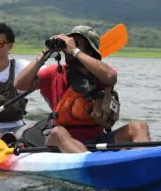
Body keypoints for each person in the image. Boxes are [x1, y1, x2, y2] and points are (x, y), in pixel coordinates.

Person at [14, 25, 150, 153]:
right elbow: (20, 84)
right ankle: (88, 163)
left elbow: (110, 77)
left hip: (97, 139)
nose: (69, 47)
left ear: (90, 51)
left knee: (139, 127)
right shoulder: (53, 72)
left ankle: (145, 162)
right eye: (70, 43)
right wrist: (45, 54)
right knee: (57, 132)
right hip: (61, 141)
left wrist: (74, 51)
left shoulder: (101, 73)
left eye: (77, 43)